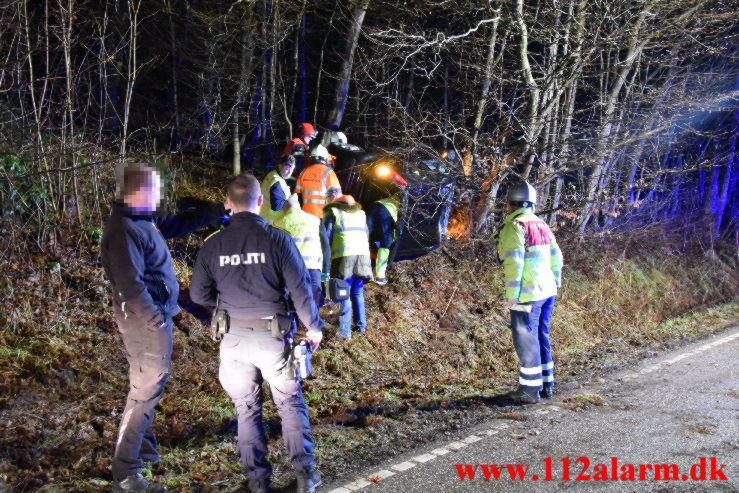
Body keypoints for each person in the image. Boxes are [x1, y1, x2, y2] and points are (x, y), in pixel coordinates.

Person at [190, 174, 324, 493]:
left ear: (228, 204)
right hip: (273, 338)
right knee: (290, 403)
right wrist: (314, 326)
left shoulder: (214, 244)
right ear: (260, 202)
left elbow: (197, 294)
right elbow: (300, 289)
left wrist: (223, 305)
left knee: (246, 409)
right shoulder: (277, 239)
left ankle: (258, 481)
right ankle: (305, 475)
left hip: (233, 340)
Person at [101, 163, 227, 492]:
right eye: (155, 190)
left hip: (150, 321)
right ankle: (126, 474)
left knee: (147, 389)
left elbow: (175, 224)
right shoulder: (124, 228)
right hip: (145, 325)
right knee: (143, 394)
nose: (159, 196)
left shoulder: (141, 221)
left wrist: (216, 210)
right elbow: (130, 285)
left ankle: (143, 450)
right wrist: (154, 319)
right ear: (140, 191)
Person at [496, 180, 563, 404]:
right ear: (531, 203)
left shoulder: (514, 226)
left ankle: (528, 391)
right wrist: (555, 282)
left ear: (509, 204)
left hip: (527, 294)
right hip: (547, 292)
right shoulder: (542, 225)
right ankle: (546, 384)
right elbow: (557, 257)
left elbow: (514, 264)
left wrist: (511, 295)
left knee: (525, 339)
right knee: (540, 334)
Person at [322, 194, 373, 340]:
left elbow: (325, 236)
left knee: (342, 293)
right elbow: (367, 234)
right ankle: (361, 326)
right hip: (363, 256)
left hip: (344, 257)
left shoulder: (333, 212)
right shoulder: (361, 214)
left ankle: (344, 332)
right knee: (357, 291)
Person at [273, 193, 331, 308]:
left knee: (290, 306)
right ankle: (310, 325)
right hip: (313, 269)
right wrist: (326, 270)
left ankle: (294, 324)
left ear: (285, 208)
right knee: (313, 306)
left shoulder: (278, 223)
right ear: (298, 206)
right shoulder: (315, 220)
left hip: (291, 271)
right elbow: (325, 246)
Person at [295, 144, 341, 218]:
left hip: (305, 215)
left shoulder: (303, 172)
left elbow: (297, 194)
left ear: (311, 158)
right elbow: (337, 196)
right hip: (322, 215)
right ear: (325, 158)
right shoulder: (329, 173)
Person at [366, 194, 400, 285]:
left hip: (374, 206)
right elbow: (389, 240)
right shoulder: (402, 202)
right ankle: (380, 277)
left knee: (368, 238)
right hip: (387, 211)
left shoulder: (395, 195)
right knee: (386, 243)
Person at [259, 155, 295, 223]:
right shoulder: (277, 183)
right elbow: (277, 206)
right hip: (272, 221)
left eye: (292, 169)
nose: (290, 172)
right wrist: (291, 202)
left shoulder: (272, 174)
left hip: (264, 216)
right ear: (280, 166)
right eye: (287, 168)